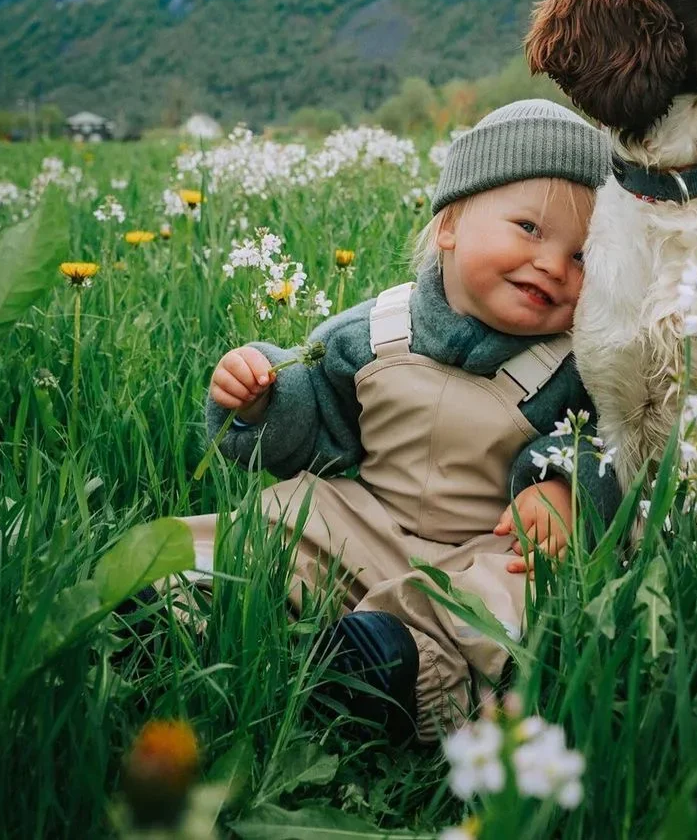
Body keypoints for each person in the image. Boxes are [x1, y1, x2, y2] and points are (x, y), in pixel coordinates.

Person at [182, 100, 618, 742]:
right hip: (368, 524)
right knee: (284, 515)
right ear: (449, 225)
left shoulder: (578, 364)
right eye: (529, 228)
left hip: (485, 549)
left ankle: (396, 670)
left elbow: (609, 444)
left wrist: (566, 490)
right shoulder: (376, 330)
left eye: (583, 256)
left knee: (518, 595)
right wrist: (262, 397)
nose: (554, 264)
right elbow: (318, 422)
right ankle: (181, 596)